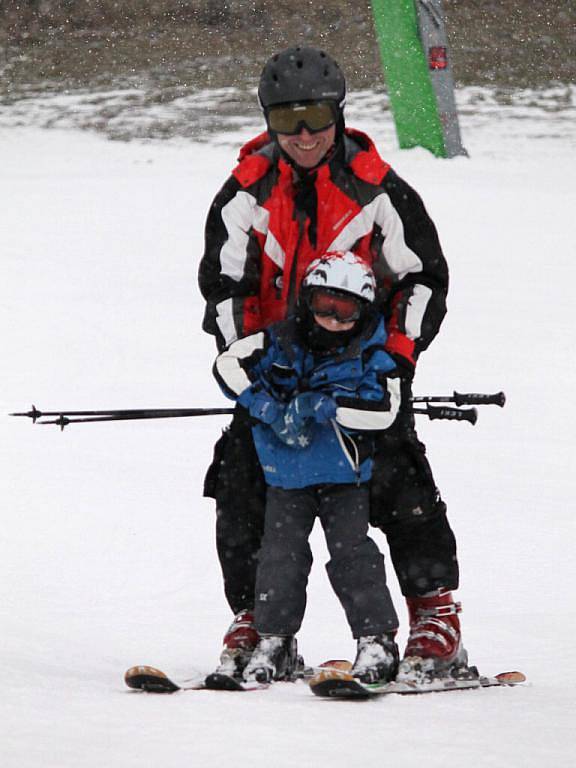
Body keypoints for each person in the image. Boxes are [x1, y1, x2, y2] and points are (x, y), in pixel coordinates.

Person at [199, 46, 466, 682]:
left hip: (361, 370)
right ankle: (256, 620)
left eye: (317, 116)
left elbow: (422, 278)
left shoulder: (377, 190)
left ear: (339, 114)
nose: (306, 135)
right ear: (268, 120)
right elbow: (224, 290)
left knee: (398, 476)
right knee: (240, 481)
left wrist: (395, 363)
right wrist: (254, 367)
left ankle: (436, 615)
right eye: (289, 120)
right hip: (279, 376)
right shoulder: (243, 195)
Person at [213, 251, 401, 684]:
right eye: (324, 306)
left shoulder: (372, 355)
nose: (333, 320)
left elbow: (385, 410)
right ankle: (274, 640)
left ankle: (376, 641)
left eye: (346, 310)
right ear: (307, 301)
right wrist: (259, 402)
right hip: (286, 476)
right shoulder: (277, 340)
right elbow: (227, 364)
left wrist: (329, 406)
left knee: (353, 554)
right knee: (279, 557)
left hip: (343, 478)